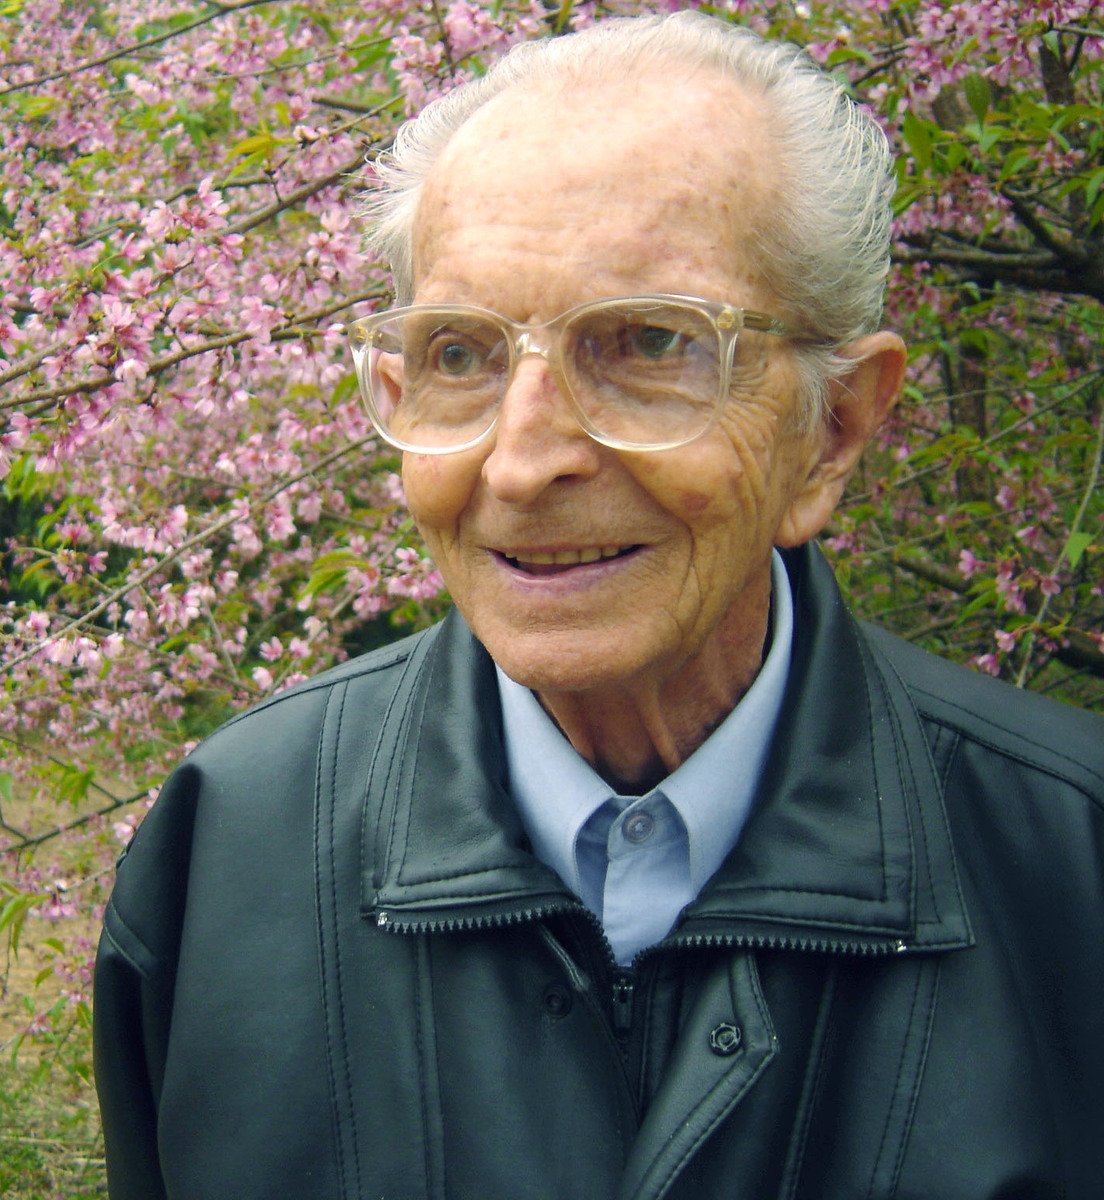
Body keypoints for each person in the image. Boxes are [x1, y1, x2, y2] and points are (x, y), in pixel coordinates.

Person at [93, 12, 1104, 1199]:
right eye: (459, 356)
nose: (520, 465)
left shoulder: (1070, 860)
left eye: (647, 343)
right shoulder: (227, 849)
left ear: (832, 430)